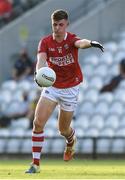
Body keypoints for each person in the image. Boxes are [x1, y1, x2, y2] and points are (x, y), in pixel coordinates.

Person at [25, 9, 104, 173]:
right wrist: (39, 73)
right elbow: (41, 60)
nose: (57, 28)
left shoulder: (71, 39)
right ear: (51, 24)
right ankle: (35, 164)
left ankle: (71, 140)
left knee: (63, 130)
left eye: (61, 24)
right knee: (38, 122)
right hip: (52, 87)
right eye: (55, 24)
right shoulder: (45, 42)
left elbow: (80, 43)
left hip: (70, 88)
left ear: (66, 24)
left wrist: (91, 43)